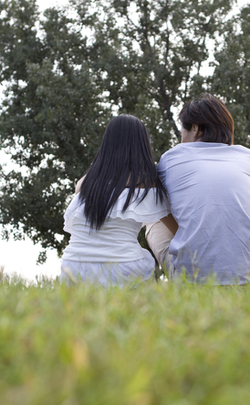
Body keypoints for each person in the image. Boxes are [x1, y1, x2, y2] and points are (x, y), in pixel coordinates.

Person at [145, 94, 250, 286]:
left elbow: (152, 200)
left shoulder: (172, 158)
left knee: (152, 213)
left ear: (194, 128)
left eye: (182, 132)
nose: (181, 139)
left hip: (189, 280)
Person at [60, 114, 172, 286]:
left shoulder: (86, 182)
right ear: (142, 145)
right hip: (122, 267)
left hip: (73, 266)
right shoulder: (149, 183)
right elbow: (176, 229)